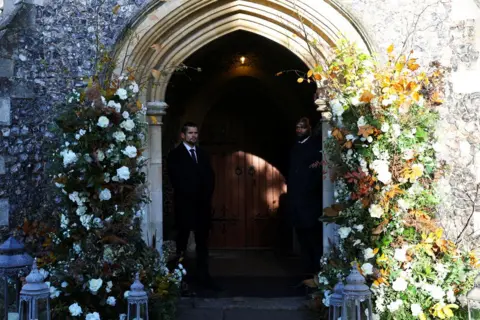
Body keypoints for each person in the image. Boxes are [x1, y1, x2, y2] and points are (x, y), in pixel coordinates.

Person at [167, 122, 217, 289]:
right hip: (185, 206)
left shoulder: (203, 154)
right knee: (181, 243)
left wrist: (206, 195)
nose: (193, 136)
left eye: (196, 133)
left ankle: (204, 277)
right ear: (183, 135)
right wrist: (191, 194)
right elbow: (176, 180)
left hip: (202, 206)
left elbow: (210, 177)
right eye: (190, 133)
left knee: (202, 245)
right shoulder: (175, 155)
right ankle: (180, 278)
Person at [287, 117, 323, 276]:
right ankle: (305, 275)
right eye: (297, 127)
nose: (299, 130)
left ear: (308, 128)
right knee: (303, 242)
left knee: (313, 241)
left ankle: (316, 274)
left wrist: (308, 189)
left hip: (310, 203)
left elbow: (316, 174)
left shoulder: (315, 146)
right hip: (297, 203)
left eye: (302, 128)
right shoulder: (295, 146)